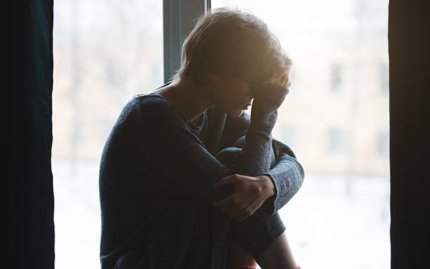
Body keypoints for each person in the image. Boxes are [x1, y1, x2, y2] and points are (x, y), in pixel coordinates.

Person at [99, 8, 304, 269]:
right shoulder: (150, 118)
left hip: (187, 252)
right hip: (145, 260)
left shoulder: (218, 110)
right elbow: (236, 198)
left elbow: (290, 163)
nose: (256, 95)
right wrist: (265, 116)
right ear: (212, 72)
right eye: (251, 83)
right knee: (235, 182)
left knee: (250, 166)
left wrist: (268, 184)